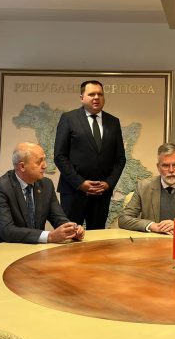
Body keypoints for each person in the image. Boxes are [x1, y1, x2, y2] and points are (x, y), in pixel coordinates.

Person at [0, 142, 84, 249]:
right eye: (39, 162)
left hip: (28, 249)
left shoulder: (46, 185)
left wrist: (71, 229)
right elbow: (7, 231)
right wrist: (50, 236)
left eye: (44, 160)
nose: (45, 166)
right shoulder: (0, 188)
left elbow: (58, 217)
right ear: (22, 166)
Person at [54, 80, 126, 229]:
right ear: (82, 98)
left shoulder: (113, 122)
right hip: (73, 191)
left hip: (101, 193)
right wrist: (80, 183)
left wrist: (108, 183)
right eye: (92, 94)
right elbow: (60, 156)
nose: (96, 97)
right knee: (70, 235)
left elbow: (120, 159)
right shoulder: (69, 119)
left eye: (100, 94)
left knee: (97, 237)